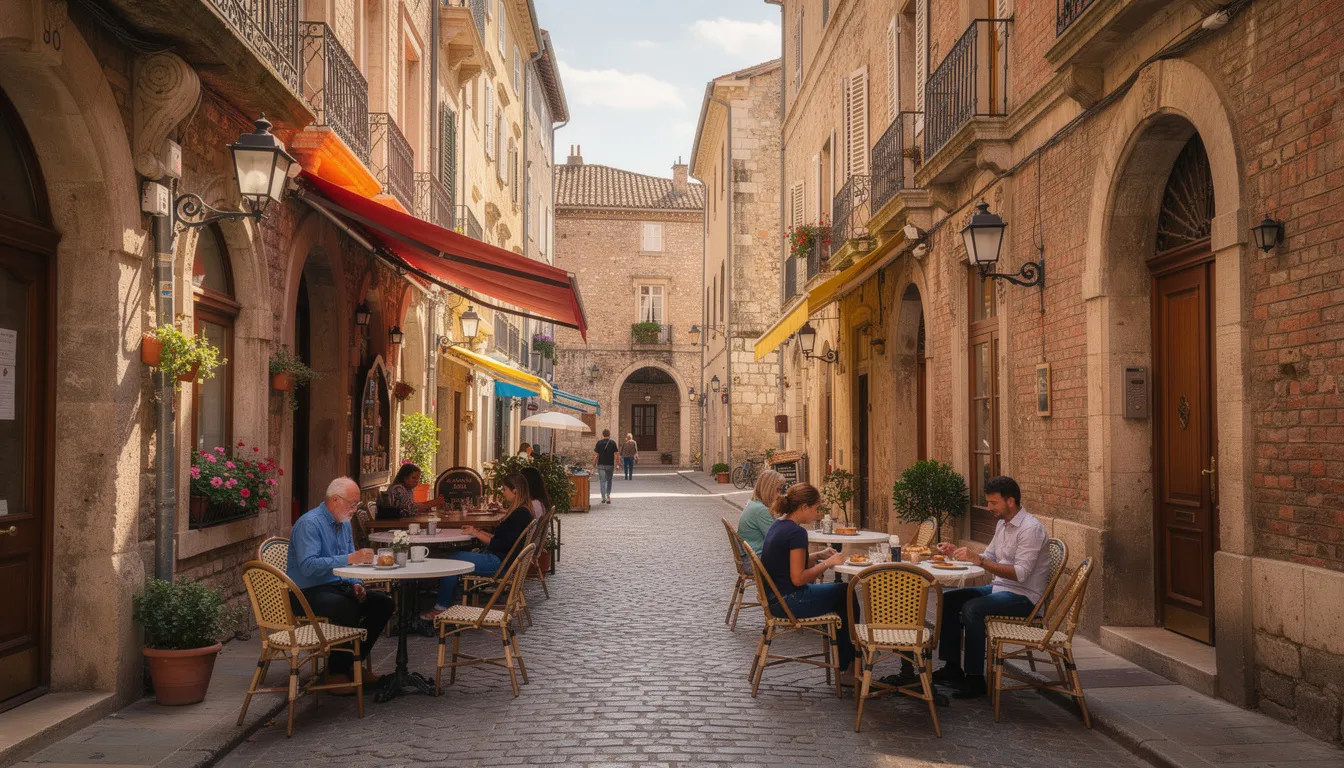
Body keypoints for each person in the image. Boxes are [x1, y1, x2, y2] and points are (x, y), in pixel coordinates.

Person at [933, 475, 1050, 699]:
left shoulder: (1030, 529)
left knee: (973, 609)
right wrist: (956, 552)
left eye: (993, 502)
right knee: (949, 599)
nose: (989, 508)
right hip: (1000, 588)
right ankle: (952, 668)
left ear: (1011, 502)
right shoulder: (1002, 525)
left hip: (1024, 598)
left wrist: (980, 560)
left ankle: (975, 679)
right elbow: (989, 555)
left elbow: (1021, 574)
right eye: (988, 502)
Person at [288, 477, 395, 688]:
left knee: (384, 603)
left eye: (358, 504)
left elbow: (349, 563)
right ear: (335, 500)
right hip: (306, 592)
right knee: (348, 609)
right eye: (353, 503)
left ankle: (351, 664)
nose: (355, 509)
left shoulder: (344, 522)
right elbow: (309, 566)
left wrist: (356, 583)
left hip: (335, 586)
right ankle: (337, 672)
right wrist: (351, 559)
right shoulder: (309, 524)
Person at [759, 483, 856, 683]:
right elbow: (798, 578)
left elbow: (787, 564)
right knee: (847, 593)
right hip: (789, 601)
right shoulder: (797, 533)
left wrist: (819, 555)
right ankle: (850, 666)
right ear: (804, 507)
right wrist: (828, 563)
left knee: (842, 593)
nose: (817, 513)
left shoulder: (779, 524)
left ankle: (848, 662)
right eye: (816, 508)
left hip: (775, 599)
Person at [423, 473, 535, 616]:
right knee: (455, 556)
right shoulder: (522, 511)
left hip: (499, 563)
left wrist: (476, 534)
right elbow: (503, 539)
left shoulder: (520, 514)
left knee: (451, 561)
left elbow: (499, 544)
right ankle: (448, 603)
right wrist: (477, 531)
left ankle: (441, 607)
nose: (503, 492)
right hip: (503, 560)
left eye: (505, 489)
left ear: (515, 491)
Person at [736, 469, 786, 554]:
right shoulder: (761, 510)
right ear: (769, 489)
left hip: (750, 555)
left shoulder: (753, 503)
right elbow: (777, 540)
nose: (779, 494)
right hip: (756, 558)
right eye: (778, 490)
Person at [377, 463, 444, 519]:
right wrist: (432, 503)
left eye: (418, 478)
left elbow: (412, 506)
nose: (416, 481)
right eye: (413, 478)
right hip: (395, 526)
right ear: (405, 478)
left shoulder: (408, 489)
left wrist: (429, 505)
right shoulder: (398, 489)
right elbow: (410, 509)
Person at [593, 429, 619, 504]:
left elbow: (595, 455)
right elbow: (617, 454)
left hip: (601, 465)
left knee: (602, 481)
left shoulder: (599, 443)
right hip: (610, 465)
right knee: (609, 480)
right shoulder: (612, 443)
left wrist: (594, 465)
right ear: (609, 434)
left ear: (603, 435)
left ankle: (603, 498)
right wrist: (617, 464)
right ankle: (608, 495)